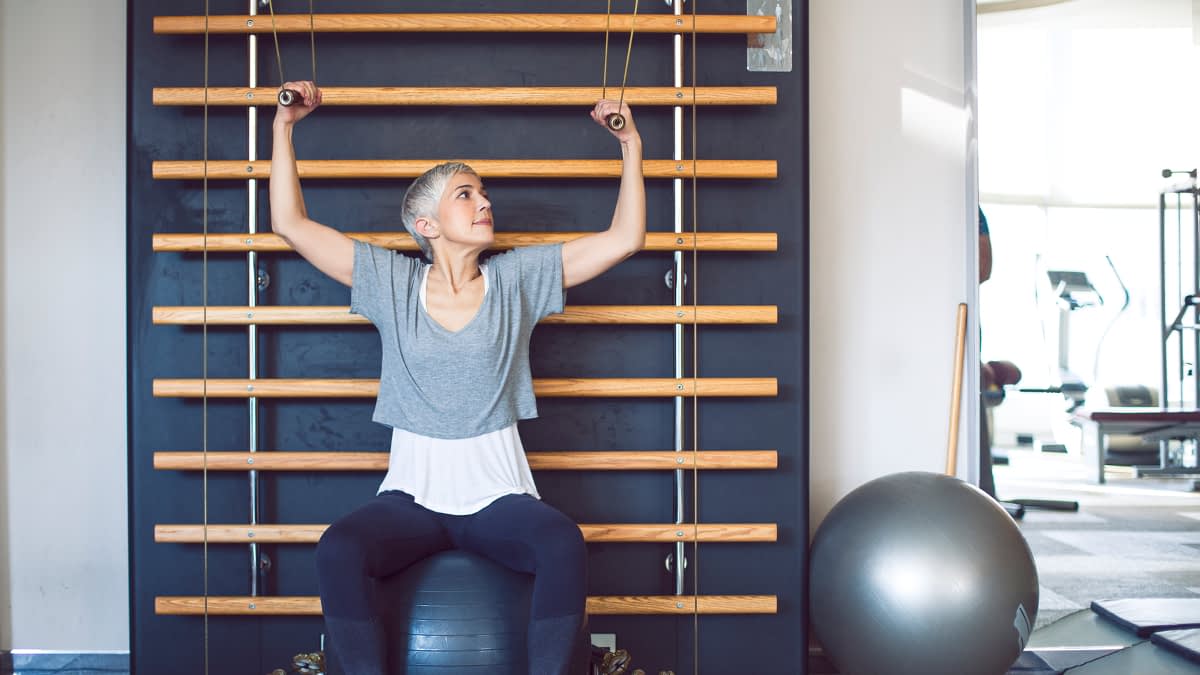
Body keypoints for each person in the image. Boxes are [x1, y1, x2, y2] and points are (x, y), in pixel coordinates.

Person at [269, 80, 646, 675]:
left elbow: (626, 240)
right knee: (338, 548)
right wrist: (284, 127)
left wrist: (630, 146)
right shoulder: (389, 282)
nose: (483, 203)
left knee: (561, 543)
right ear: (427, 224)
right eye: (465, 195)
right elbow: (290, 223)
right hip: (411, 500)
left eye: (484, 194)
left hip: (497, 497)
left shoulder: (519, 278)